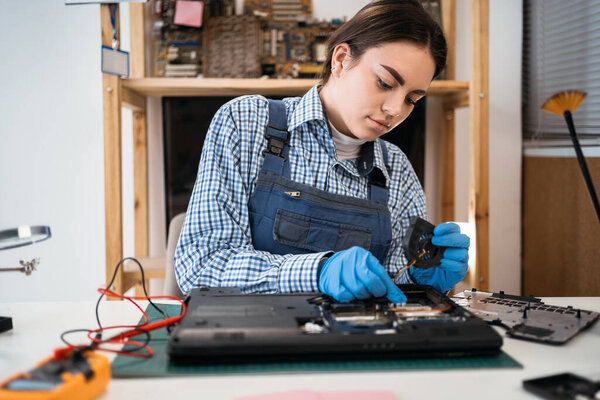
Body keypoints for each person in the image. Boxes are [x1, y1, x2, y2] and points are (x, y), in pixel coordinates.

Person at [174, 0, 470, 303]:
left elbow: (396, 292)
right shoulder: (246, 123)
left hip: (353, 344)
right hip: (250, 340)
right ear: (341, 59)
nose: (395, 109)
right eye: (384, 82)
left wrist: (423, 278)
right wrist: (317, 271)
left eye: (411, 99)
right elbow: (201, 267)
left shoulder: (397, 170)